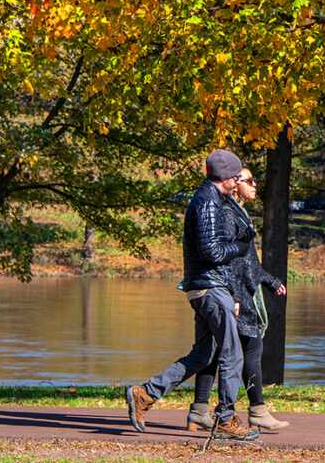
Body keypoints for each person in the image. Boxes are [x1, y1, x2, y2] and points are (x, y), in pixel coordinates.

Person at [125, 148, 260, 441]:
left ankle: (146, 394)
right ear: (226, 176)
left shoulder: (211, 199)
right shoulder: (208, 203)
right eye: (237, 175)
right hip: (210, 287)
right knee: (232, 353)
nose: (239, 180)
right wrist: (241, 246)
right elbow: (211, 251)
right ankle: (225, 418)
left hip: (204, 287)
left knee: (203, 353)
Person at [186, 167, 290, 432]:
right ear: (235, 184)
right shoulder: (230, 212)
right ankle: (257, 410)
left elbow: (247, 259)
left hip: (233, 290)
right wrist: (236, 293)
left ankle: (198, 410)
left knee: (212, 351)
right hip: (234, 292)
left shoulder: (235, 212)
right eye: (249, 180)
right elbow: (233, 260)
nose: (255, 185)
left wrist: (268, 280)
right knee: (250, 349)